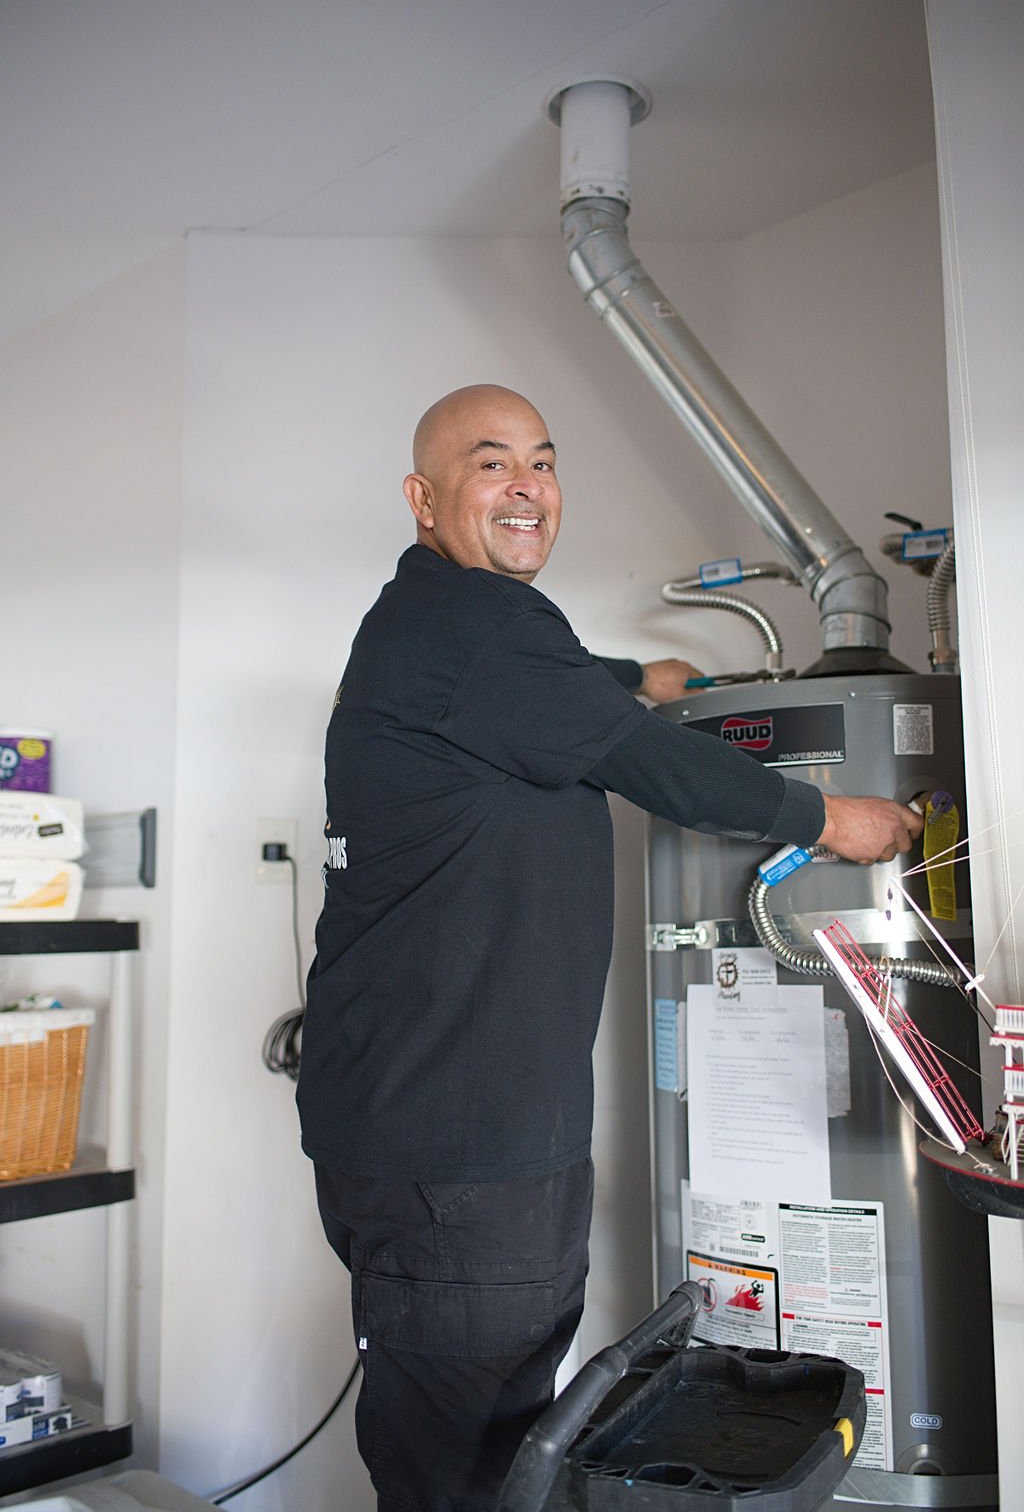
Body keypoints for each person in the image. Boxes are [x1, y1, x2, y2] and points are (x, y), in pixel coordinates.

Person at [298, 384, 922, 1512]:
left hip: (411, 1125)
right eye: (491, 465)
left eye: (542, 460)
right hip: (463, 1150)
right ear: (423, 499)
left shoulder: (427, 625)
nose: (528, 485)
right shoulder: (484, 628)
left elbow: (552, 699)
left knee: (465, 1432)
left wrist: (637, 682)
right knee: (473, 1467)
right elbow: (659, 770)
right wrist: (835, 820)